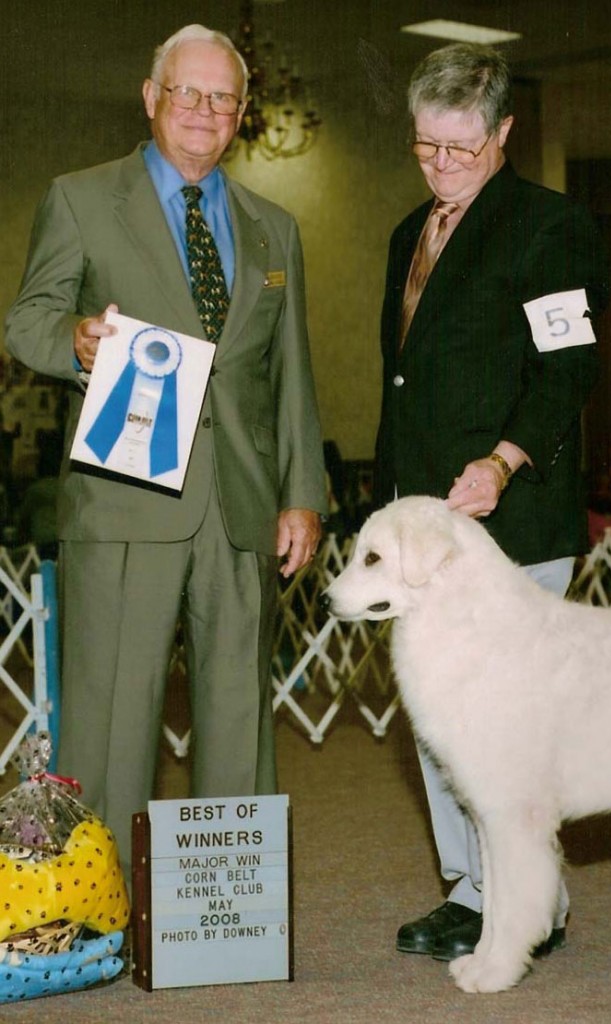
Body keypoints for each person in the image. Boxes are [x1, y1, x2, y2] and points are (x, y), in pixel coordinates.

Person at [4, 24, 327, 874]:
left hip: (243, 506)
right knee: (108, 717)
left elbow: (290, 371)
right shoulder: (79, 198)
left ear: (242, 116)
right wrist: (74, 338)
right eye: (188, 92)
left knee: (237, 714)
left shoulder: (275, 229)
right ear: (152, 99)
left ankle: (228, 911)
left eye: (223, 99)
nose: (203, 112)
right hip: (122, 499)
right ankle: (93, 907)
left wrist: (305, 494)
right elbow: (25, 322)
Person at [374, 42, 609, 962]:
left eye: (459, 149)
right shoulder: (409, 232)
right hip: (424, 527)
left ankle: (527, 903)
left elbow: (569, 368)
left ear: (504, 133)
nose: (439, 165)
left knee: (506, 728)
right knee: (440, 718)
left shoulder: (550, 227)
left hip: (510, 518)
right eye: (425, 146)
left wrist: (505, 461)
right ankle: (474, 892)